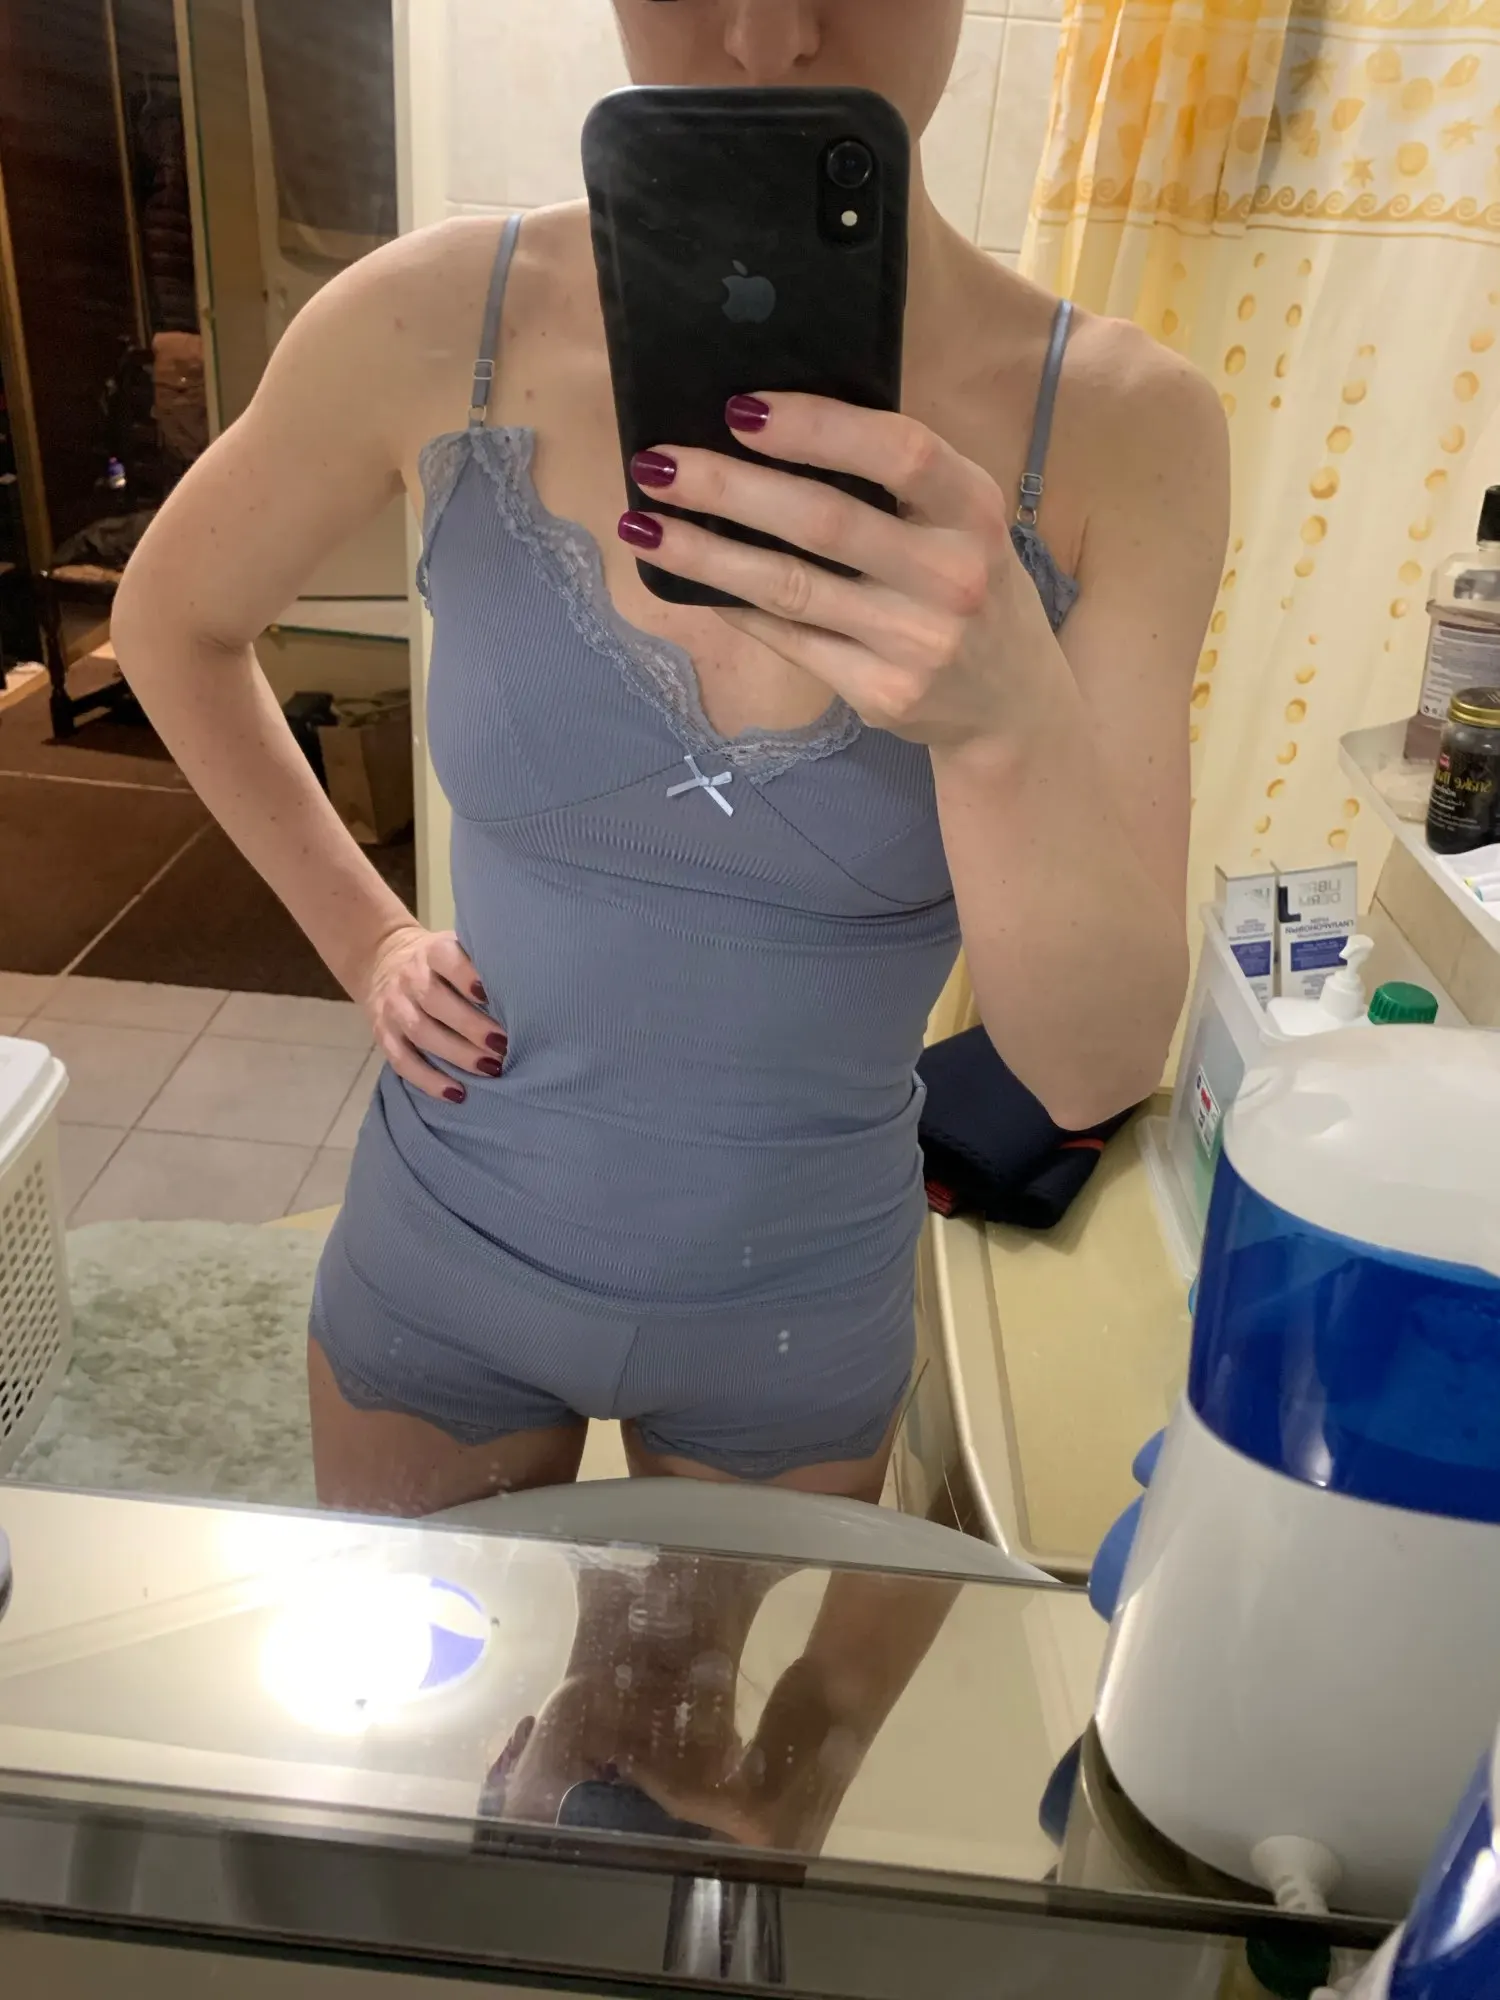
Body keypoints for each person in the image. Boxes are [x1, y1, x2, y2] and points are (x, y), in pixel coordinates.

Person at [112, 0, 1229, 1518]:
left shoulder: (1122, 429)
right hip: (445, 1244)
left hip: (799, 1308)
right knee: (430, 1677)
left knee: (707, 1690)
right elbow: (172, 623)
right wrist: (367, 936)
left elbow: (1091, 1067)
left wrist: (1001, 717)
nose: (766, 35)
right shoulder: (438, 319)